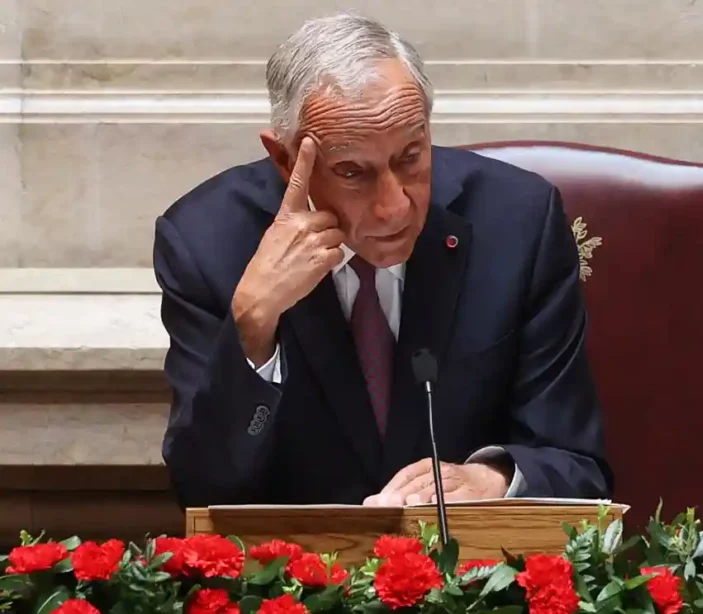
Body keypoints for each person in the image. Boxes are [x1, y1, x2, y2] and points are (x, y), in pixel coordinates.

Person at [153, 12, 612, 509]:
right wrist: (254, 325)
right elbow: (203, 491)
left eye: (410, 156)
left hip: (469, 573)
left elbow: (577, 466)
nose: (394, 206)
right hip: (296, 576)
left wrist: (494, 480)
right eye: (353, 172)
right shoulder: (208, 243)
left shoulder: (517, 223)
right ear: (286, 160)